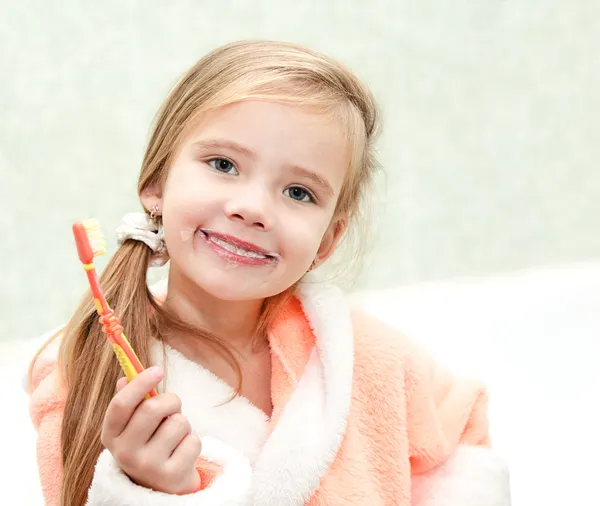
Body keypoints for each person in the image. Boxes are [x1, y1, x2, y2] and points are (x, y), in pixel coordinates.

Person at [28, 40, 510, 505]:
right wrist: (147, 492)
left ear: (326, 240)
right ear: (156, 183)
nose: (253, 208)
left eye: (299, 192)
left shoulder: (372, 359)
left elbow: (464, 448)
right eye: (223, 164)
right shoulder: (84, 376)